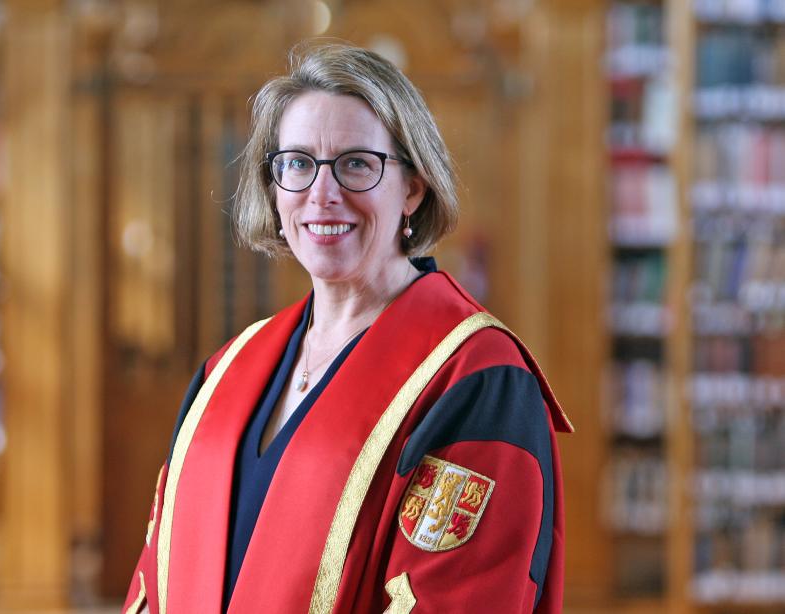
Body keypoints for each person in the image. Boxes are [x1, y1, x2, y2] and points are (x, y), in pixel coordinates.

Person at [122, 43, 573, 614]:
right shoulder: (228, 369)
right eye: (297, 163)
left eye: (357, 163)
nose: (322, 193)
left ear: (413, 186)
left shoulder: (477, 379)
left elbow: (458, 597)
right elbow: (154, 578)